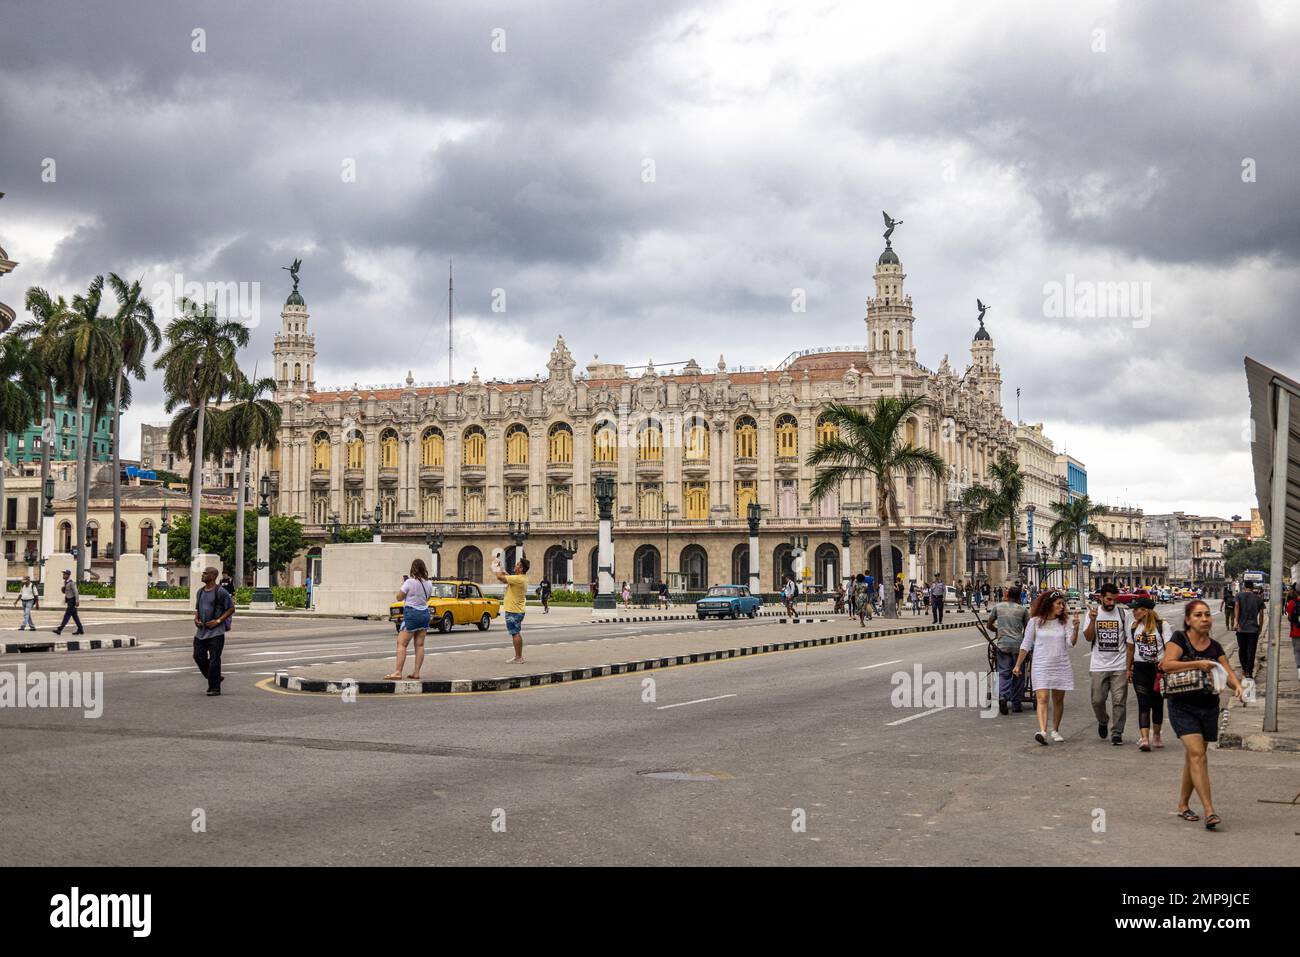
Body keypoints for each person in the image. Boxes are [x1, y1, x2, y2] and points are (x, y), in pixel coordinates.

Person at [1162, 599, 1245, 830]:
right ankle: (1209, 811)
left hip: (1208, 707)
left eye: (1207, 614)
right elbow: (1166, 665)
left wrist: (1237, 686)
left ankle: (1182, 804)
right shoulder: (1179, 639)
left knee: (1193, 757)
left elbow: (1226, 671)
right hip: (1182, 706)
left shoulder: (1215, 646)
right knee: (1198, 754)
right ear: (1188, 620)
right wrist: (1198, 664)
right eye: (1198, 615)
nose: (1204, 619)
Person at [1013, 589, 1080, 745]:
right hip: (1041, 664)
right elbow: (1026, 644)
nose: (1062, 607)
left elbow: (1071, 643)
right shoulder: (1034, 622)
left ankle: (1055, 730)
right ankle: (1042, 731)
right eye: (1059, 604)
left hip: (1060, 665)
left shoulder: (1063, 622)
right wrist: (1018, 665)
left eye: (1063, 604)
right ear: (1049, 604)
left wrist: (1075, 628)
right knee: (1042, 698)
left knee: (1058, 700)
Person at [1084, 582, 1131, 745]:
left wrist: (1129, 666)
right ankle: (1103, 720)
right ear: (1101, 598)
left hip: (1119, 665)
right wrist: (1092, 621)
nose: (1112, 603)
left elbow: (1129, 642)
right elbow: (1089, 638)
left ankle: (1117, 732)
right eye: (1109, 600)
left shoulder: (1123, 614)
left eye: (1114, 600)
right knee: (1097, 700)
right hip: (1099, 665)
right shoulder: (1092, 614)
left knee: (1119, 701)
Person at [1127, 596, 1167, 751]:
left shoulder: (1162, 626)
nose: (1133, 612)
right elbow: (1130, 649)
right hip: (1140, 668)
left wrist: (1166, 664)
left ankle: (1156, 735)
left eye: (1136, 609)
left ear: (1145, 611)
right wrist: (1128, 669)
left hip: (1158, 669)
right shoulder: (1133, 627)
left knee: (1157, 703)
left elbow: (1169, 646)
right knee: (1143, 703)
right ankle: (1144, 738)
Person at [386, 558, 432, 679]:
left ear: (413, 569)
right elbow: (426, 599)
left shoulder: (409, 582)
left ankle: (397, 672)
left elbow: (399, 597)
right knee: (420, 645)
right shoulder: (429, 583)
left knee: (402, 643)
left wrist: (404, 585)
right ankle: (416, 673)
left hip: (412, 614)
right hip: (424, 614)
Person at [193, 565, 234, 696]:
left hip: (216, 633)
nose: (202, 575)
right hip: (201, 632)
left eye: (205, 573)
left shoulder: (220, 591)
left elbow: (231, 609)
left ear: (213, 576)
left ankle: (214, 688)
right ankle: (214, 677)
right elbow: (197, 610)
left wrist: (217, 621)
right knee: (198, 656)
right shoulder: (199, 592)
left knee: (215, 659)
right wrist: (196, 619)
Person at [987, 585, 1029, 713]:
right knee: (1018, 673)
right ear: (1019, 597)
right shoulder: (1023, 610)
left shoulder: (997, 607)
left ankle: (1003, 696)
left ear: (1007, 595)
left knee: (1004, 673)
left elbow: (989, 625)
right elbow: (1028, 630)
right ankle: (1016, 704)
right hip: (1018, 646)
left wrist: (998, 631)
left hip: (1003, 645)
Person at [496, 555, 530, 663]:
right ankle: (518, 656)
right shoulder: (520, 578)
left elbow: (500, 577)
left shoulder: (518, 579)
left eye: (518, 565)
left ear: (521, 569)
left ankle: (519, 657)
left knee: (515, 633)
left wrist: (496, 567)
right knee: (515, 632)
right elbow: (507, 576)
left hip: (513, 610)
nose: (515, 566)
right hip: (516, 610)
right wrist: (502, 569)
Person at [1232, 579, 1265, 682]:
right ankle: (1249, 672)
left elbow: (1236, 607)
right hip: (1253, 629)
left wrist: (1236, 621)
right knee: (1251, 651)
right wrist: (1260, 626)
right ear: (1252, 587)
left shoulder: (1239, 596)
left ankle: (1244, 668)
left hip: (1241, 629)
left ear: (1244, 586)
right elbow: (1261, 614)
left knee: (1242, 649)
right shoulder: (1258, 598)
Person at [52, 569, 85, 635]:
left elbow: (76, 592)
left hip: (72, 601)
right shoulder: (66, 582)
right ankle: (80, 629)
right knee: (75, 617)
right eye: (63, 574)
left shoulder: (71, 583)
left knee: (66, 616)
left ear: (68, 575)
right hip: (69, 601)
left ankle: (59, 629)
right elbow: (67, 592)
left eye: (65, 574)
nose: (63, 575)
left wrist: (77, 601)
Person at [1287, 583, 1300, 682]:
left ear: (1295, 592)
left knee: (1297, 652)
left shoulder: (1292, 603)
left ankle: (1299, 672)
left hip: (1296, 632)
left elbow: (1289, 617)